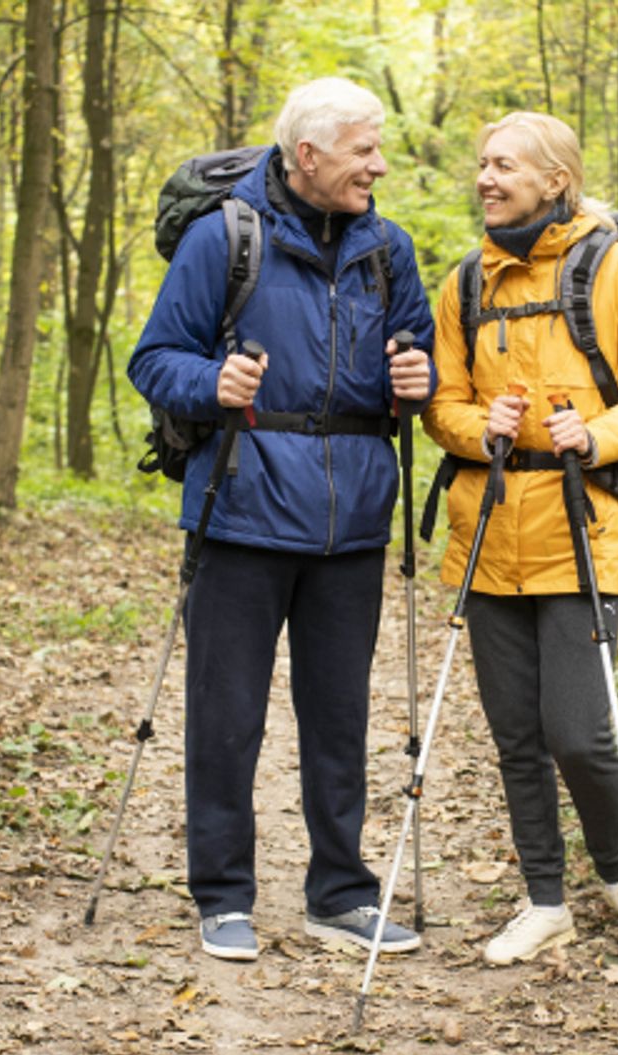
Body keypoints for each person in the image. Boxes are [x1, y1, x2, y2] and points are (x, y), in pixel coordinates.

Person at [128, 77, 436, 963]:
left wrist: (418, 383)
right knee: (227, 717)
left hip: (353, 527)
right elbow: (154, 358)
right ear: (309, 156)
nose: (378, 165)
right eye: (363, 150)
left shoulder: (389, 249)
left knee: (339, 720)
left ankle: (340, 894)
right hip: (242, 512)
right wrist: (210, 383)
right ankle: (223, 895)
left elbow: (415, 361)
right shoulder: (222, 238)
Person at [421, 111, 618, 965]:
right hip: (489, 531)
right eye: (483, 164)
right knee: (515, 736)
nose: (486, 178)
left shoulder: (617, 268)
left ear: (554, 180)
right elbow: (441, 402)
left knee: (579, 731)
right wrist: (473, 423)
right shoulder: (466, 281)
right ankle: (544, 900)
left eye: (504, 166)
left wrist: (597, 436)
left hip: (581, 526)